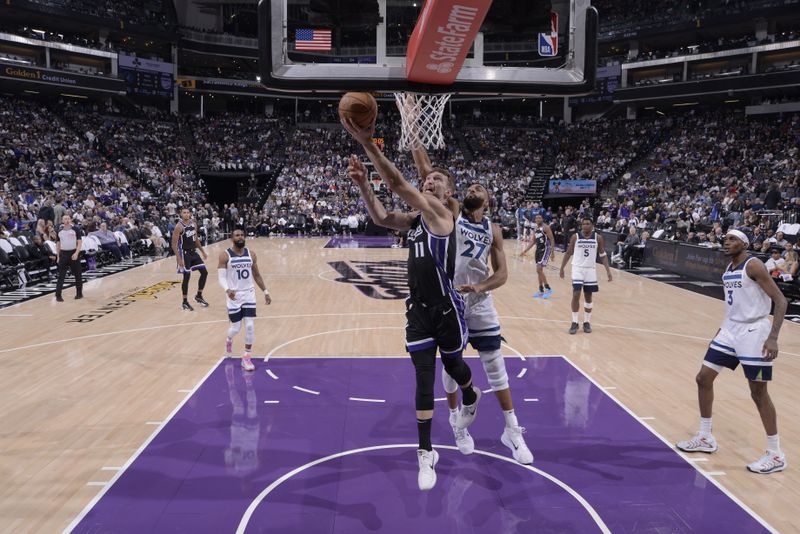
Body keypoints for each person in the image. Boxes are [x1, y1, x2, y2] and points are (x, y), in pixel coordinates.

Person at [342, 115, 480, 492]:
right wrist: (363, 186)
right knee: (423, 379)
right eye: (428, 178)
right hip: (418, 311)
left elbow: (399, 183)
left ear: (448, 192)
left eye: (437, 178)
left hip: (447, 309)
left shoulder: (443, 215)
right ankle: (425, 453)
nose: (429, 179)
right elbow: (384, 216)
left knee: (454, 366)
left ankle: (470, 394)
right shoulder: (418, 220)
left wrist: (368, 142)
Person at [410, 142, 533, 465]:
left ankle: (512, 431)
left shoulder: (494, 230)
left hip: (479, 301)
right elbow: (427, 175)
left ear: (487, 200)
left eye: (480, 187)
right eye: (470, 186)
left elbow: (502, 274)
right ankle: (456, 423)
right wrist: (413, 133)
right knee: (452, 367)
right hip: (451, 298)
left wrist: (480, 285)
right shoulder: (451, 211)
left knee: (496, 367)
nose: (473, 188)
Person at [676, 230, 788, 474]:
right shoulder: (729, 268)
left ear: (744, 244)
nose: (726, 242)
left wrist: (773, 337)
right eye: (725, 239)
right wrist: (721, 330)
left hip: (754, 332)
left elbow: (780, 301)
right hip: (730, 330)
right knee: (703, 378)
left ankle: (776, 453)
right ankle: (705, 437)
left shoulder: (754, 264)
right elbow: (733, 304)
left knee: (758, 392)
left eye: (732, 239)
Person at [218, 229, 271, 372]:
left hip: (249, 294)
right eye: (237, 235)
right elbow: (221, 277)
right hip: (233, 296)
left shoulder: (251, 254)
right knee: (235, 328)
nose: (240, 237)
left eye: (242, 235)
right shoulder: (225, 255)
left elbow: (257, 275)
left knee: (249, 326)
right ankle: (229, 340)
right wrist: (227, 290)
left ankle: (246, 357)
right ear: (232, 238)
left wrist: (265, 292)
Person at [559, 217, 613, 334]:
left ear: (592, 225)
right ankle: (574, 322)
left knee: (588, 296)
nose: (585, 226)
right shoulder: (575, 236)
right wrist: (562, 267)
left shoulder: (598, 238)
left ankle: (587, 322)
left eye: (588, 224)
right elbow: (568, 252)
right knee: (576, 293)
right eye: (583, 224)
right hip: (577, 268)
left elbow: (602, 254)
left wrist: (608, 271)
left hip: (590, 269)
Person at [171, 208, 209, 311]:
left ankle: (199, 296)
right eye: (184, 212)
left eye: (188, 212)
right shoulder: (179, 227)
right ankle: (184, 302)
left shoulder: (193, 224)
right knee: (187, 276)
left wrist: (202, 251)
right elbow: (173, 244)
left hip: (193, 252)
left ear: (190, 214)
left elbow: (195, 239)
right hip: (184, 253)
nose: (186, 214)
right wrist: (179, 259)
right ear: (181, 214)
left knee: (204, 272)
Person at [520, 213, 556, 298]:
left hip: (545, 249)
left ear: (542, 219)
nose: (538, 219)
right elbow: (533, 242)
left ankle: (548, 288)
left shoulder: (546, 227)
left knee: (539, 269)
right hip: (538, 250)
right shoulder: (536, 229)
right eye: (536, 218)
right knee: (538, 270)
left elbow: (552, 239)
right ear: (535, 220)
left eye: (540, 218)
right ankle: (541, 290)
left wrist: (552, 252)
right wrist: (525, 251)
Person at [54, 214, 83, 302]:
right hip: (63, 254)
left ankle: (79, 293)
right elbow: (58, 244)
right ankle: (58, 295)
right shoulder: (59, 230)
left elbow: (79, 242)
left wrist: (76, 253)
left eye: (68, 219)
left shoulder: (76, 229)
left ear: (70, 220)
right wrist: (58, 256)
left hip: (73, 253)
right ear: (62, 221)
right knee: (61, 275)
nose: (67, 220)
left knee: (77, 274)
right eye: (65, 219)